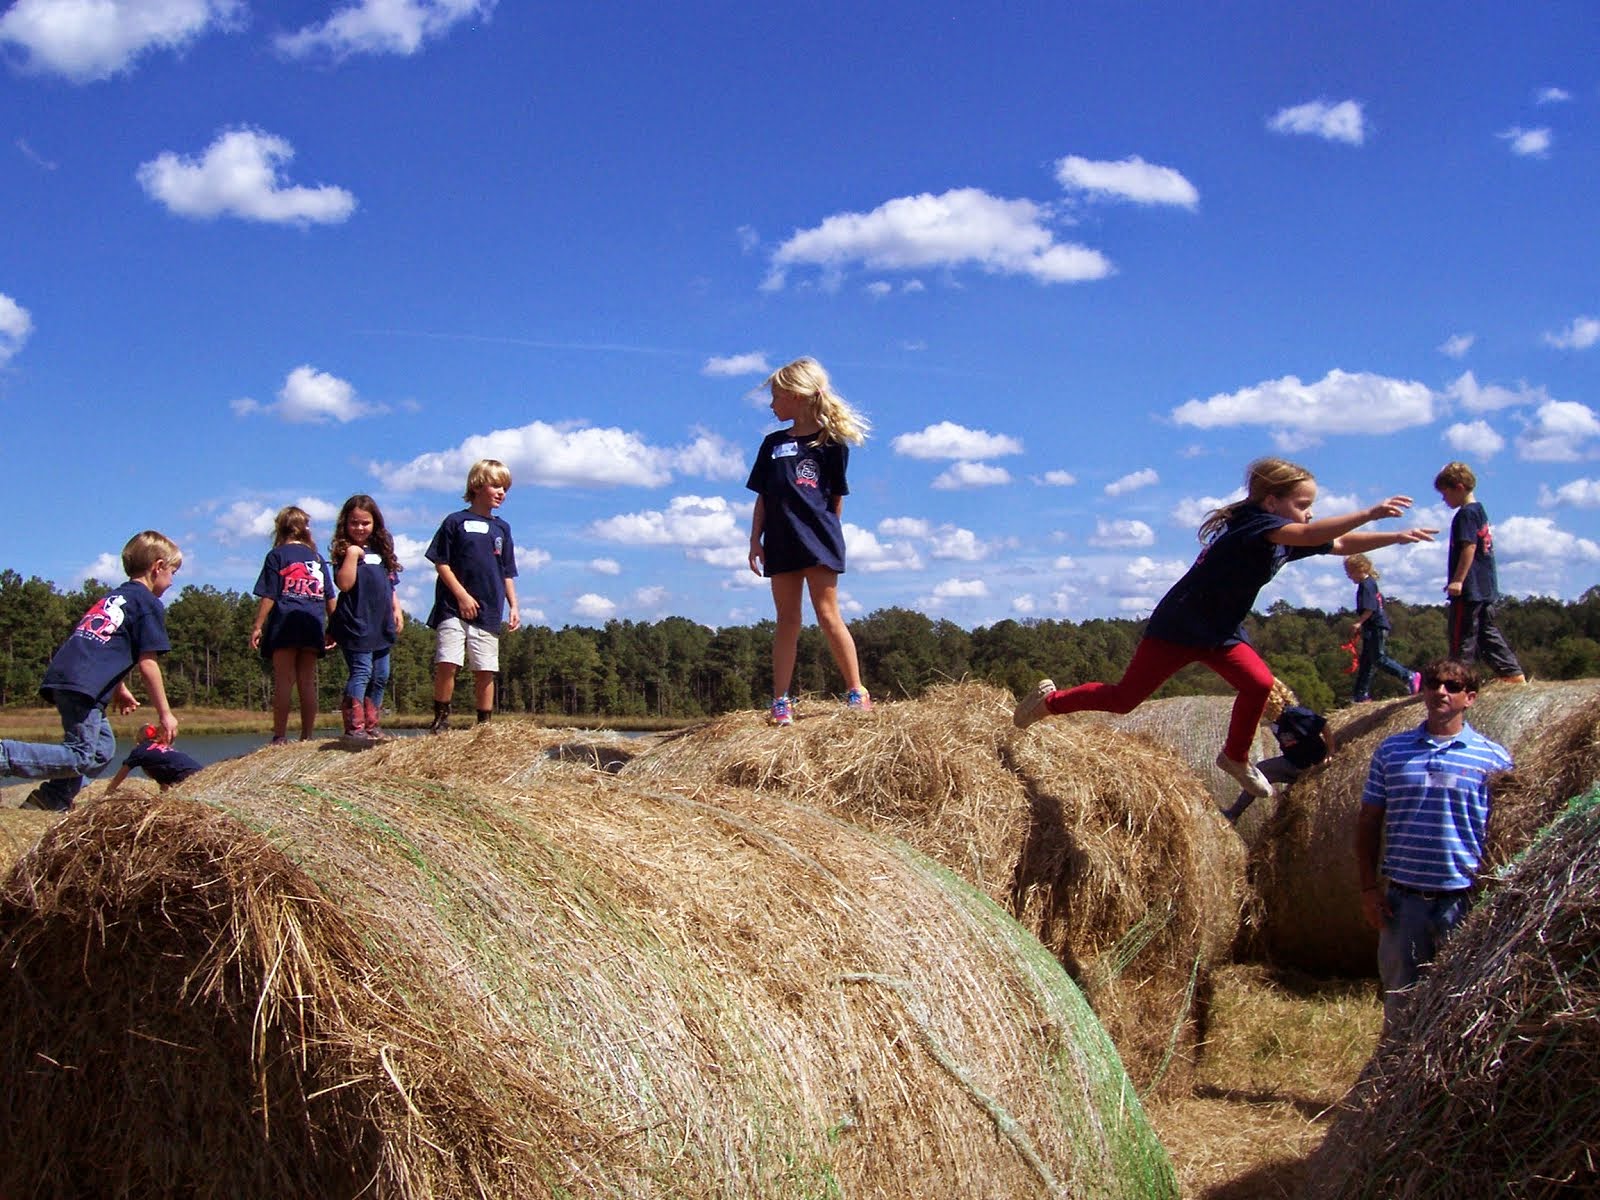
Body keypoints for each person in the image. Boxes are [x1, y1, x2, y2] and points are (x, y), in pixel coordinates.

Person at [1014, 457, 1437, 798]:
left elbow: (1339, 544)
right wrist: (1369, 513)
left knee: (1258, 683)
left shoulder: (1282, 535)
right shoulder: (1254, 528)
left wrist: (1395, 537)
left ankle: (1234, 758)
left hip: (1221, 631)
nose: (1309, 514)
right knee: (1124, 699)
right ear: (1272, 502)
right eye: (1303, 505)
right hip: (1180, 625)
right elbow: (1315, 536)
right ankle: (1049, 703)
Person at [1355, 658, 1512, 1030]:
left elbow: (1507, 832)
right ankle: (1392, 1086)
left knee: (1464, 1010)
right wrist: (1368, 889)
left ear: (1470, 698)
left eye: (1453, 687)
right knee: (1401, 1010)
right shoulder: (1392, 752)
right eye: (1434, 683)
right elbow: (1368, 822)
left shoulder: (1494, 759)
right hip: (1403, 903)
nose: (1441, 691)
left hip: (1465, 902)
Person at [0, 531, 181, 810]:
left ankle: (49, 800)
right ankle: (4, 755)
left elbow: (105, 643)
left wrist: (118, 687)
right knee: (81, 754)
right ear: (157, 567)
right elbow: (148, 663)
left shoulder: (116, 597)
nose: (172, 581)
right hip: (83, 685)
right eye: (172, 572)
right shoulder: (147, 603)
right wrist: (165, 714)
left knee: (100, 751)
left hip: (74, 678)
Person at [746, 357, 872, 725]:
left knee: (828, 614)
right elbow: (764, 498)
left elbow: (835, 500)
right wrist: (756, 541)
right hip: (780, 542)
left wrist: (826, 536)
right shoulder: (771, 445)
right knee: (787, 620)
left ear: (797, 396)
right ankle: (781, 700)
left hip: (819, 541)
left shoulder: (831, 445)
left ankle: (856, 690)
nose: (772, 406)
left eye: (776, 397)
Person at [426, 458, 519, 733]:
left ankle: (483, 726)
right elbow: (440, 562)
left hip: (489, 609)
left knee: (485, 668)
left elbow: (507, 571)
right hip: (452, 607)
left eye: (505, 488)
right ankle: (441, 719)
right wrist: (462, 596)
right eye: (496, 486)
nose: (501, 492)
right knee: (448, 661)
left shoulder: (503, 528)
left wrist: (514, 605)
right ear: (477, 485)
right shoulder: (455, 522)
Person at [1434, 461, 1526, 684]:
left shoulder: (1465, 514)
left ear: (1458, 487)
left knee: (1461, 639)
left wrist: (1457, 581)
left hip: (1469, 589)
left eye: (1445, 493)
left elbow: (1469, 547)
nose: (1443, 499)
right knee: (1487, 635)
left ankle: (1456, 683)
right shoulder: (1480, 511)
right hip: (1485, 587)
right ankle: (1513, 676)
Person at [250, 506, 335, 744]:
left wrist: (258, 625)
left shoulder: (276, 556)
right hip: (312, 624)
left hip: (285, 623)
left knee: (284, 680)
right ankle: (307, 736)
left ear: (280, 528)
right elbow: (330, 596)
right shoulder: (318, 560)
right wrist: (335, 627)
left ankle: (280, 736)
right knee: (307, 681)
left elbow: (269, 594)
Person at [329, 494, 404, 741]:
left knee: (381, 674)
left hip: (380, 621)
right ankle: (354, 725)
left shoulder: (381, 550)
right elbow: (345, 584)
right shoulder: (344, 550)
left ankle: (372, 723)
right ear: (345, 524)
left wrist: (396, 609)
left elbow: (390, 583)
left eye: (365, 523)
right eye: (354, 523)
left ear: (375, 523)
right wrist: (351, 555)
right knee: (362, 671)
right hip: (356, 621)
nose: (360, 528)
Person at [1221, 679, 1335, 824]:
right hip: (1294, 763)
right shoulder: (1275, 721)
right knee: (1259, 776)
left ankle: (1233, 814)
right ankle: (1236, 813)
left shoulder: (1294, 714)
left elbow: (1323, 724)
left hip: (1310, 764)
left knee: (1261, 770)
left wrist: (1330, 751)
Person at [1345, 553, 1421, 701]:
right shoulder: (1367, 584)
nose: (1348, 576)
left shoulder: (1367, 585)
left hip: (1376, 626)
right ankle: (1361, 694)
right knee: (1367, 661)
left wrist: (1359, 622)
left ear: (1361, 569)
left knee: (1378, 658)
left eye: (1350, 572)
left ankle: (1408, 675)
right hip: (1371, 627)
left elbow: (1370, 608)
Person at [106, 722, 203, 792]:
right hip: (200, 773)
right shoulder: (163, 747)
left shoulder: (141, 750)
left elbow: (122, 773)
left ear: (140, 737)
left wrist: (110, 790)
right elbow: (165, 781)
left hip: (185, 776)